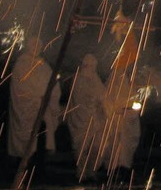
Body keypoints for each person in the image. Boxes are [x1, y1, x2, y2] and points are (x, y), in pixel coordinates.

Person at [8, 37, 61, 163]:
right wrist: (39, 94)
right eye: (33, 45)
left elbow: (52, 83)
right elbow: (21, 87)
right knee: (29, 138)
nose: (36, 48)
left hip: (43, 109)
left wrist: (50, 94)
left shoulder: (44, 65)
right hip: (28, 108)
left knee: (41, 138)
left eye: (39, 45)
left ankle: (39, 166)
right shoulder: (22, 64)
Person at [66, 53, 107, 181]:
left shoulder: (95, 78)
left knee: (95, 146)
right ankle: (81, 172)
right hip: (81, 119)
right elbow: (79, 99)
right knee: (81, 146)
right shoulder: (78, 79)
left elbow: (102, 96)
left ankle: (92, 171)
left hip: (94, 120)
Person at [101, 65, 141, 177]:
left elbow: (136, 104)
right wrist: (115, 112)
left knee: (126, 148)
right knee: (113, 147)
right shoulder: (109, 91)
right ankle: (112, 169)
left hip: (127, 124)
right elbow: (106, 105)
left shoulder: (130, 91)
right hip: (114, 123)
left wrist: (129, 112)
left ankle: (125, 168)